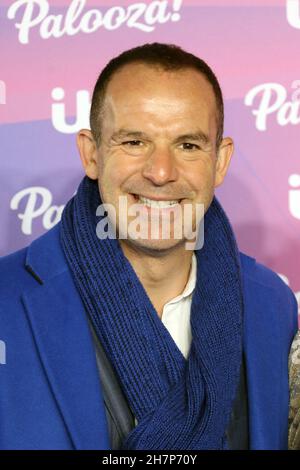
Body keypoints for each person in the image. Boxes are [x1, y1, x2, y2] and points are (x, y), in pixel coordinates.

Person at [0, 43, 298, 450]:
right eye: (134, 142)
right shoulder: (6, 299)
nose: (161, 172)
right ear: (91, 153)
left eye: (188, 145)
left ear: (221, 161)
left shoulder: (273, 306)